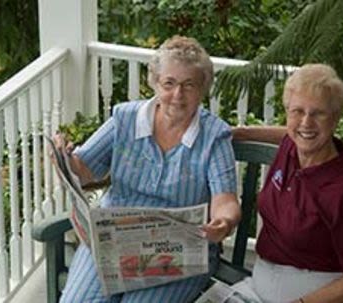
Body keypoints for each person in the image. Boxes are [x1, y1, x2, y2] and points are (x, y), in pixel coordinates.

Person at [55, 35, 241, 303]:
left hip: (178, 250)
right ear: (154, 82)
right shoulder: (124, 118)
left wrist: (223, 222)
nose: (178, 95)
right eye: (169, 83)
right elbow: (83, 169)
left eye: (189, 85)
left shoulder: (214, 136)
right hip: (112, 242)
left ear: (203, 89)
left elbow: (226, 201)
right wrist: (64, 158)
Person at [232, 63, 343, 303]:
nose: (306, 123)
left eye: (318, 113)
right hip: (258, 289)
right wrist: (242, 133)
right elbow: (292, 132)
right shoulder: (292, 146)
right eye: (297, 111)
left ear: (335, 118)